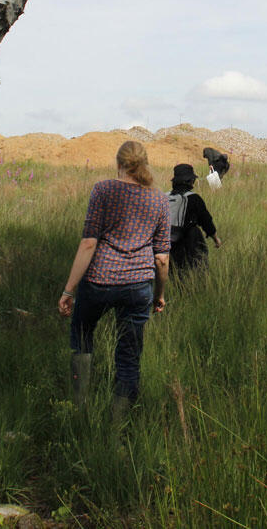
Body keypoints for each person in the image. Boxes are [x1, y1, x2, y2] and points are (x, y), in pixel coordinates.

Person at [58, 140, 170, 423]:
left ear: (119, 163)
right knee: (129, 357)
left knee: (82, 336)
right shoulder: (159, 200)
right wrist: (159, 294)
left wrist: (69, 289)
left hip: (99, 280)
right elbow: (162, 259)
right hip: (139, 286)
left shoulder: (103, 190)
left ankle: (79, 409)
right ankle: (117, 429)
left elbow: (88, 243)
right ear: (144, 164)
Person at [167, 163, 221, 272]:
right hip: (189, 244)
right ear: (190, 181)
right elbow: (206, 221)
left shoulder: (164, 197)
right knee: (195, 271)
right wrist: (215, 238)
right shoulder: (194, 198)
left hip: (167, 245)